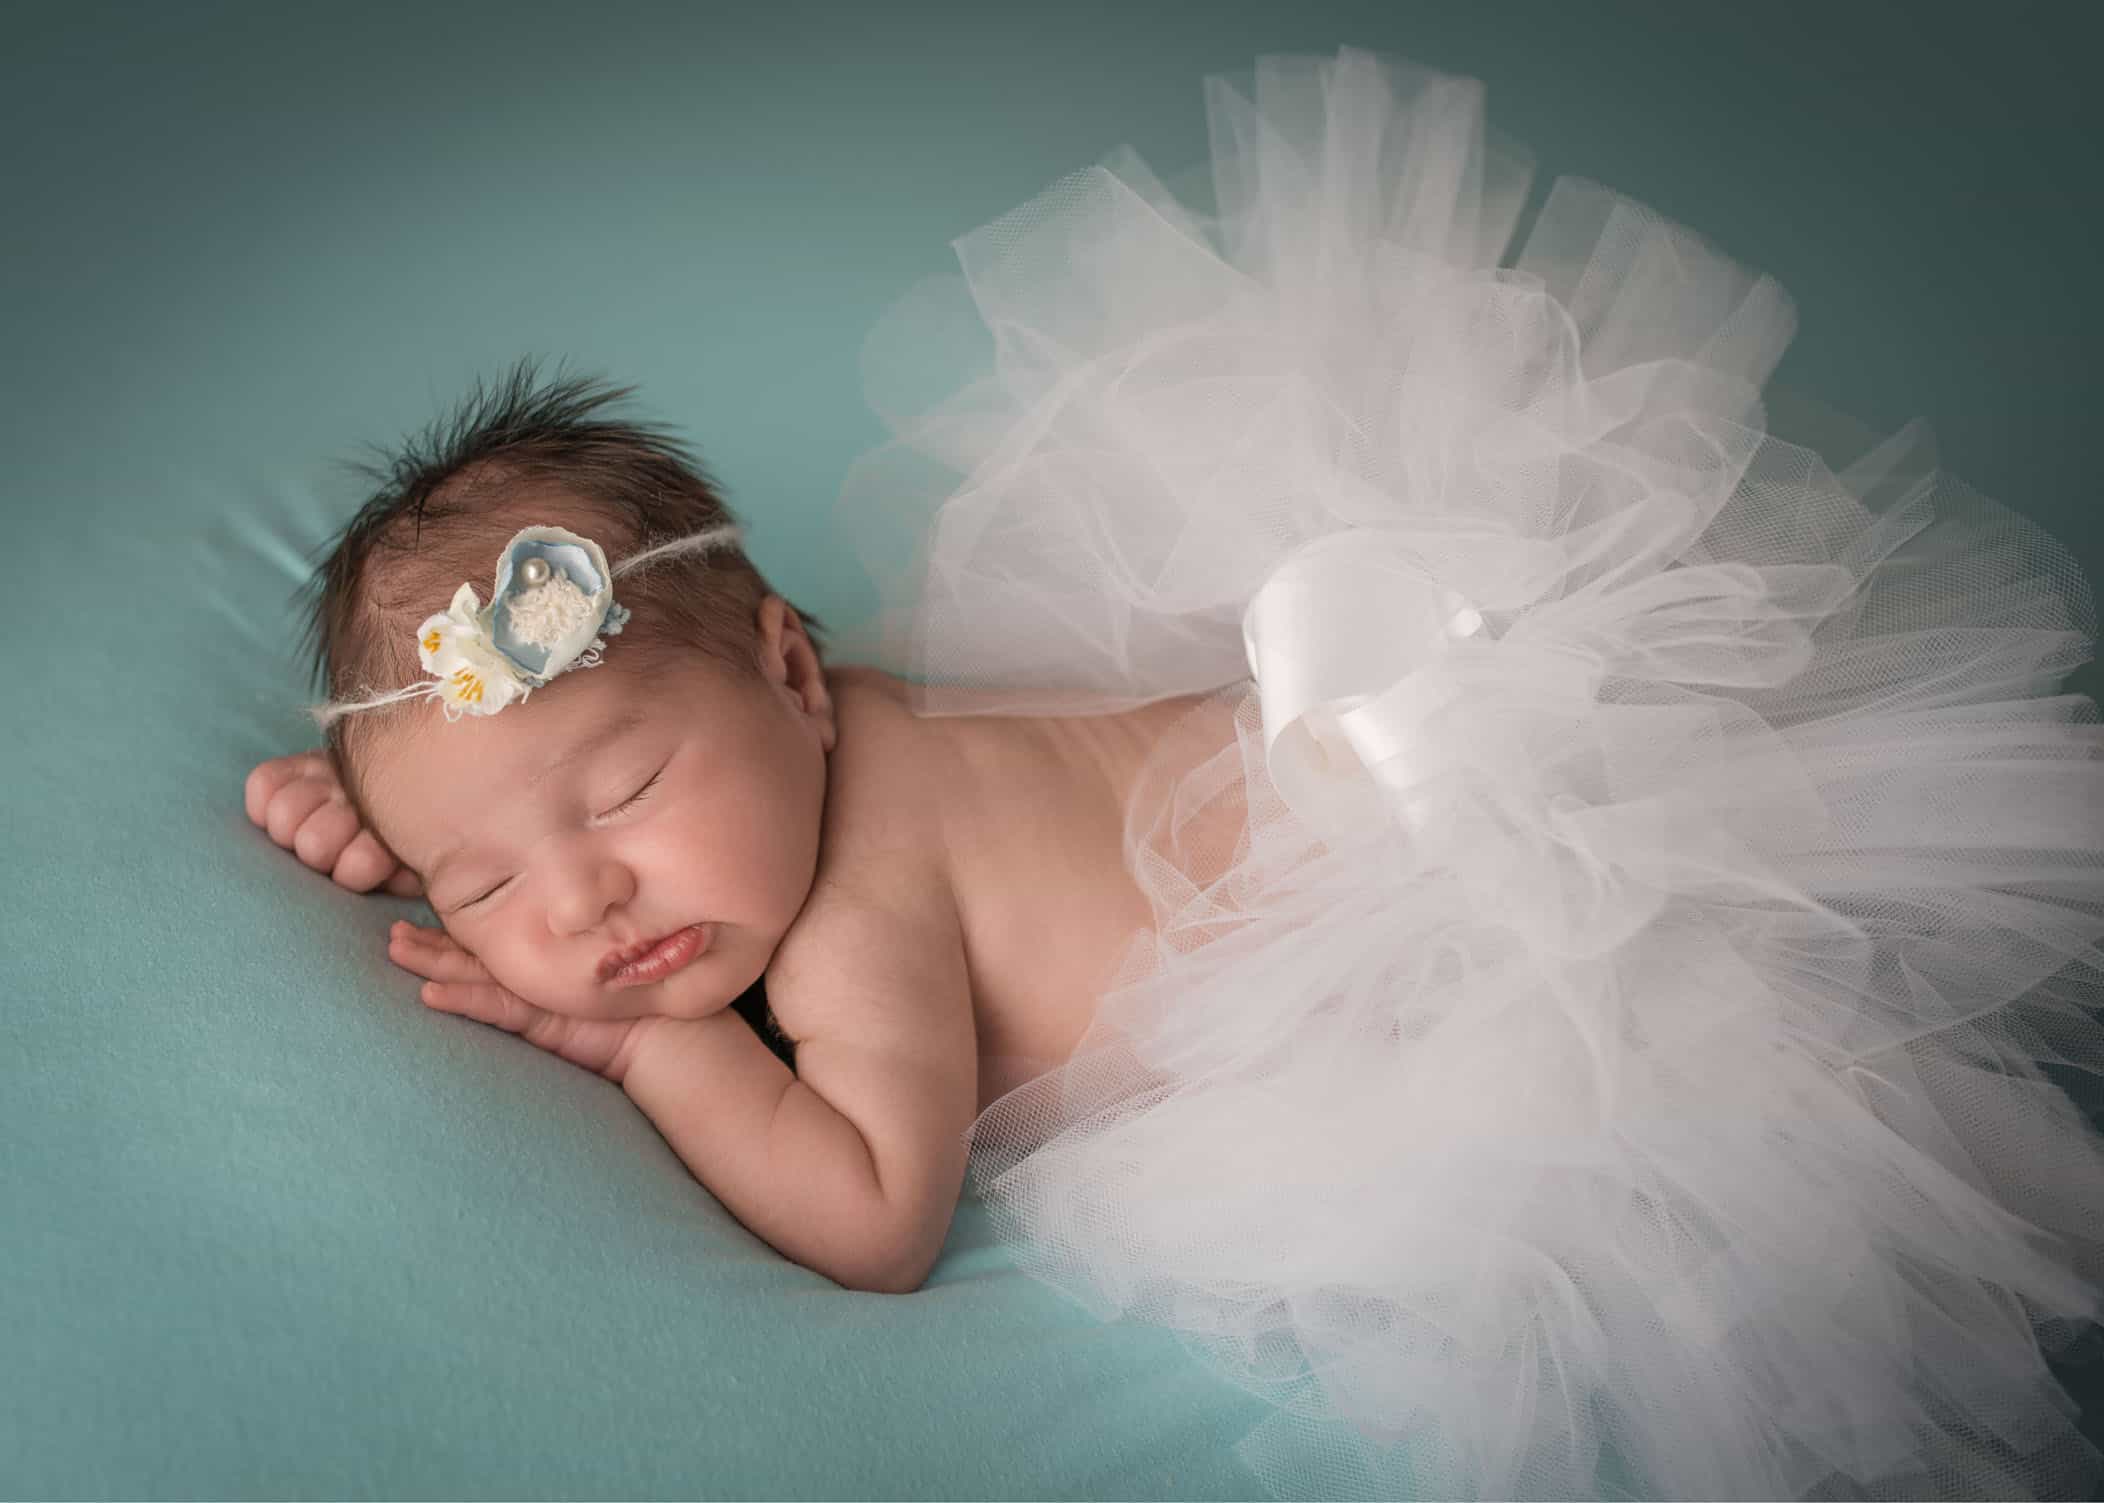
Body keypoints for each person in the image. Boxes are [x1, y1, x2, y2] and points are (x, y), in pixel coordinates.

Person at [250, 44, 2104, 1503]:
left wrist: (652, 1044)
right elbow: (513, 786)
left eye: (624, 793)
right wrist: (403, 827)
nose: (579, 901)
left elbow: (879, 1219)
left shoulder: (847, 937)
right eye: (481, 884)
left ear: (792, 671)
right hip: (1395, 737)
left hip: (1431, 940)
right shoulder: (833, 742)